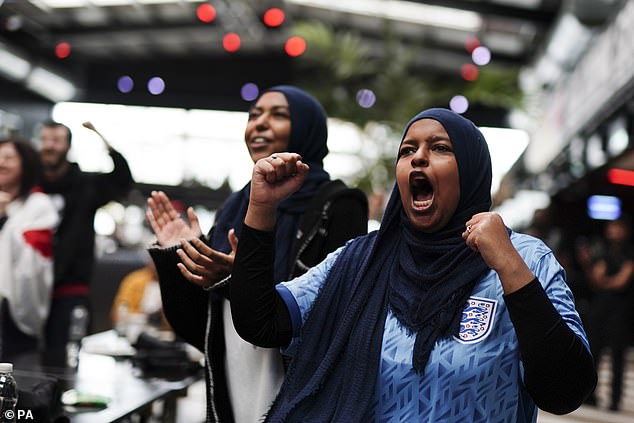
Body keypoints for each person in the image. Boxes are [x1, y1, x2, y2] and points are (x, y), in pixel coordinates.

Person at [230, 108, 597, 422]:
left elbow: (564, 391)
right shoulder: (361, 260)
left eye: (439, 148)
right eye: (408, 151)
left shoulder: (526, 257)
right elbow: (260, 321)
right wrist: (261, 209)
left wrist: (508, 267)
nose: (418, 158)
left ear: (470, 170)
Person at [147, 85, 368, 423]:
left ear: (308, 128)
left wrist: (240, 278)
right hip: (233, 386)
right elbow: (201, 329)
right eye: (254, 115)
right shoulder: (238, 206)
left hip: (298, 396)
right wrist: (177, 254)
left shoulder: (338, 205)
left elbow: (329, 315)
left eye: (278, 114)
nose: (259, 124)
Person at [38, 120, 134, 350]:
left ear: (68, 146)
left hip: (70, 286)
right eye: (45, 140)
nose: (49, 146)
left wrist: (102, 139)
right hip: (30, 284)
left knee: (61, 356)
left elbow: (122, 179)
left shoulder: (86, 185)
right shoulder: (30, 183)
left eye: (56, 140)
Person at [0, 137, 58, 359]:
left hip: (12, 315)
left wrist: (4, 218)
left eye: (8, 158)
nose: (1, 163)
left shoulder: (38, 205)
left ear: (25, 165)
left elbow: (33, 258)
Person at [584, 216, 633, 411]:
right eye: (611, 228)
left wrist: (605, 282)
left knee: (617, 354)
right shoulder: (603, 252)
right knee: (593, 351)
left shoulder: (630, 253)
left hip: (620, 310)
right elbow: (596, 278)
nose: (613, 232)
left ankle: (615, 398)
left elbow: (622, 281)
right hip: (600, 307)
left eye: (617, 228)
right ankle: (590, 394)